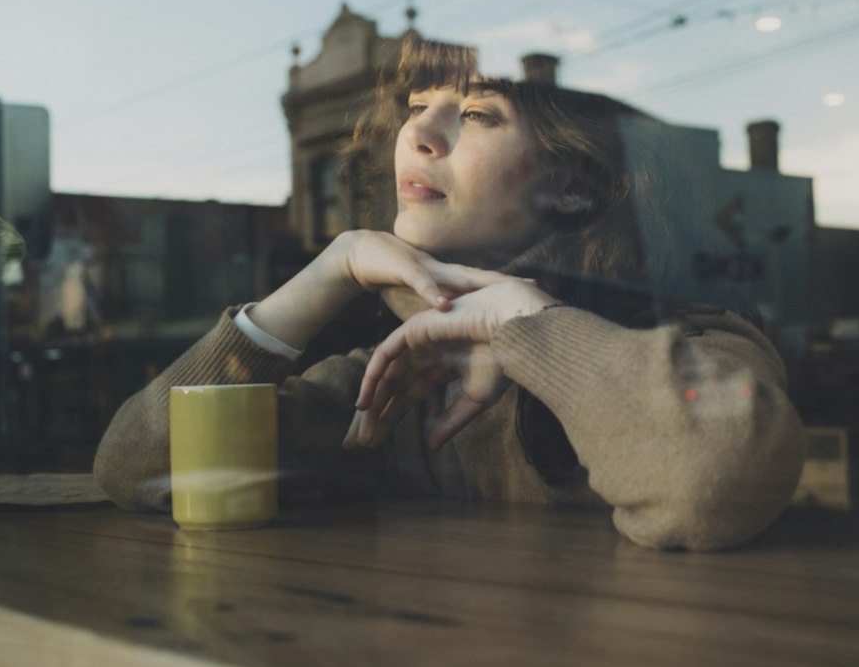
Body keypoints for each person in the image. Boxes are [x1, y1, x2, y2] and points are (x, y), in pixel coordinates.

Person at [94, 34, 805, 552]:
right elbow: (138, 467)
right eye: (418, 107)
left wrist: (515, 315)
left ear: (570, 186)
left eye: (476, 115)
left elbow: (710, 482)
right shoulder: (404, 372)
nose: (419, 135)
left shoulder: (693, 339)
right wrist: (326, 271)